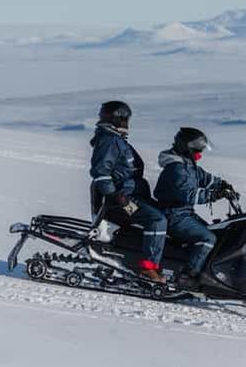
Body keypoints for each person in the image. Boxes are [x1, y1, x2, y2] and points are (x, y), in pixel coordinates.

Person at [90, 101, 167, 283]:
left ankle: (141, 256)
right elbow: (100, 173)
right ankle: (147, 268)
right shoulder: (110, 140)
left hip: (128, 195)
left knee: (162, 214)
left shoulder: (116, 139)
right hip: (121, 200)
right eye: (125, 118)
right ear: (119, 117)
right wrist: (114, 196)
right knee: (157, 220)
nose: (127, 122)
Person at [154, 127, 234, 288]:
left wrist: (223, 185)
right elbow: (188, 194)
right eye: (197, 148)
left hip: (184, 213)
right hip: (174, 215)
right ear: (187, 146)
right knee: (208, 238)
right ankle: (187, 276)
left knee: (215, 231)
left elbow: (204, 177)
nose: (200, 152)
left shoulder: (187, 164)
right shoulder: (176, 168)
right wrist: (214, 195)